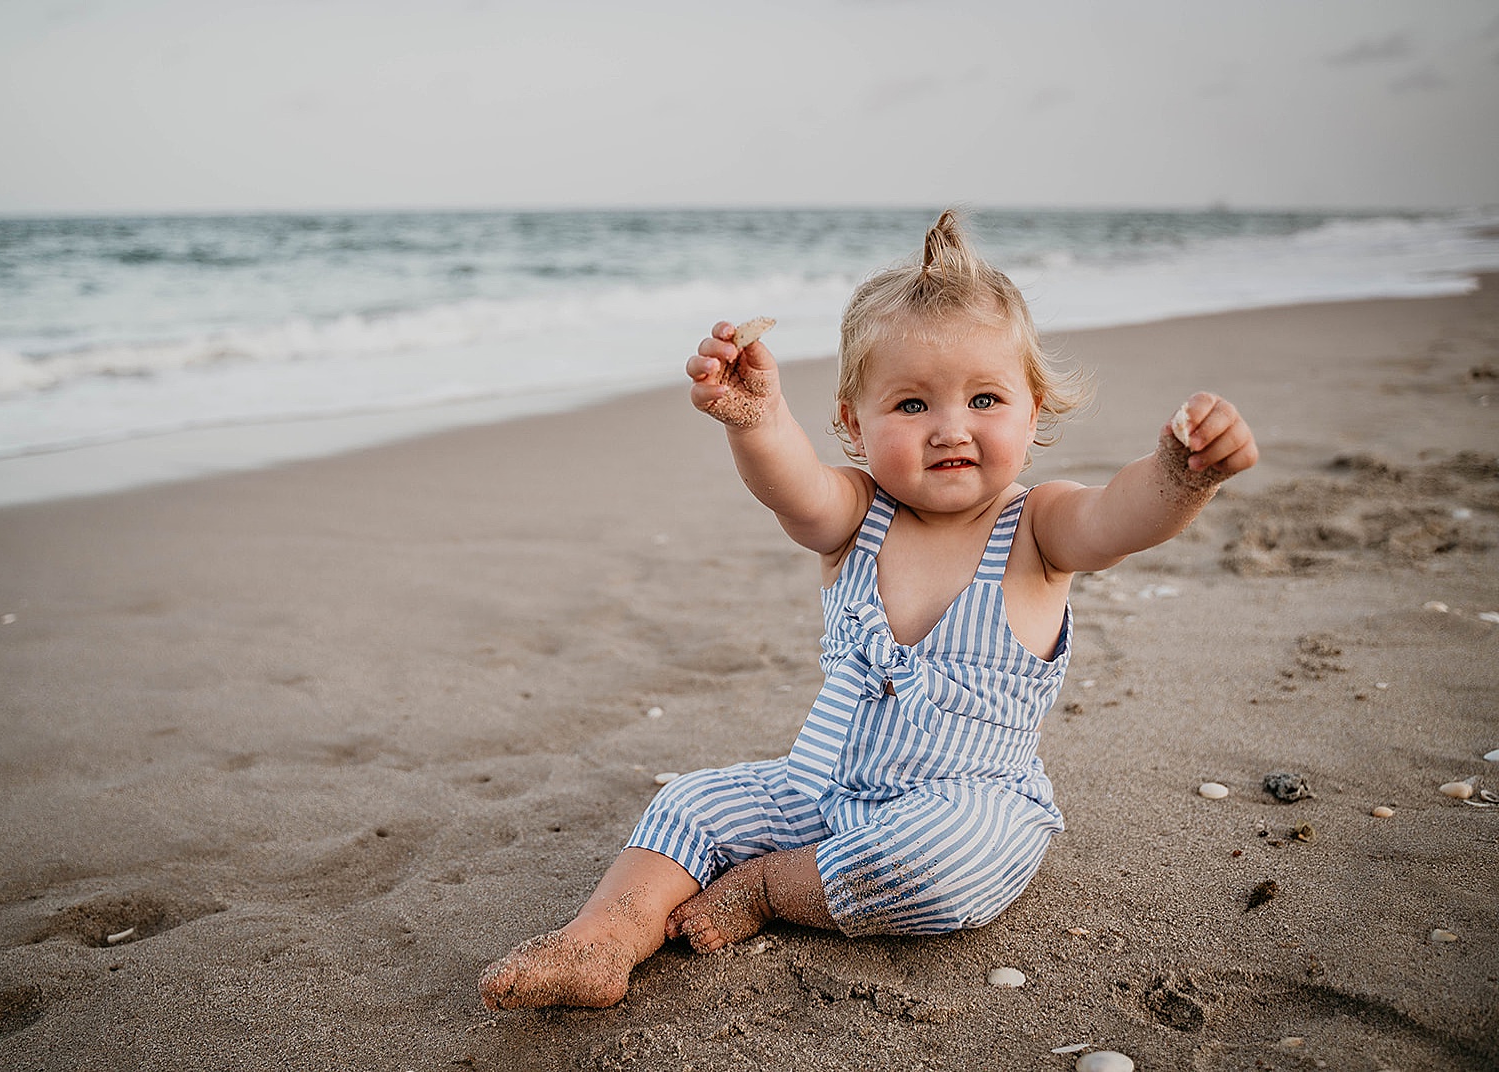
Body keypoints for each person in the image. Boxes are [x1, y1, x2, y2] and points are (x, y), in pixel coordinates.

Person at [478, 209, 1257, 1011]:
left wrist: (1180, 474)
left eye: (985, 399)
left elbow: (1118, 518)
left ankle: (774, 889)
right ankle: (601, 938)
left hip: (965, 803)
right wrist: (757, 419)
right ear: (855, 422)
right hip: (817, 789)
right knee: (690, 802)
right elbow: (796, 486)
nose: (951, 428)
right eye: (912, 405)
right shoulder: (857, 515)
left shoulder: (1040, 527)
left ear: (1034, 411)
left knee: (948, 859)